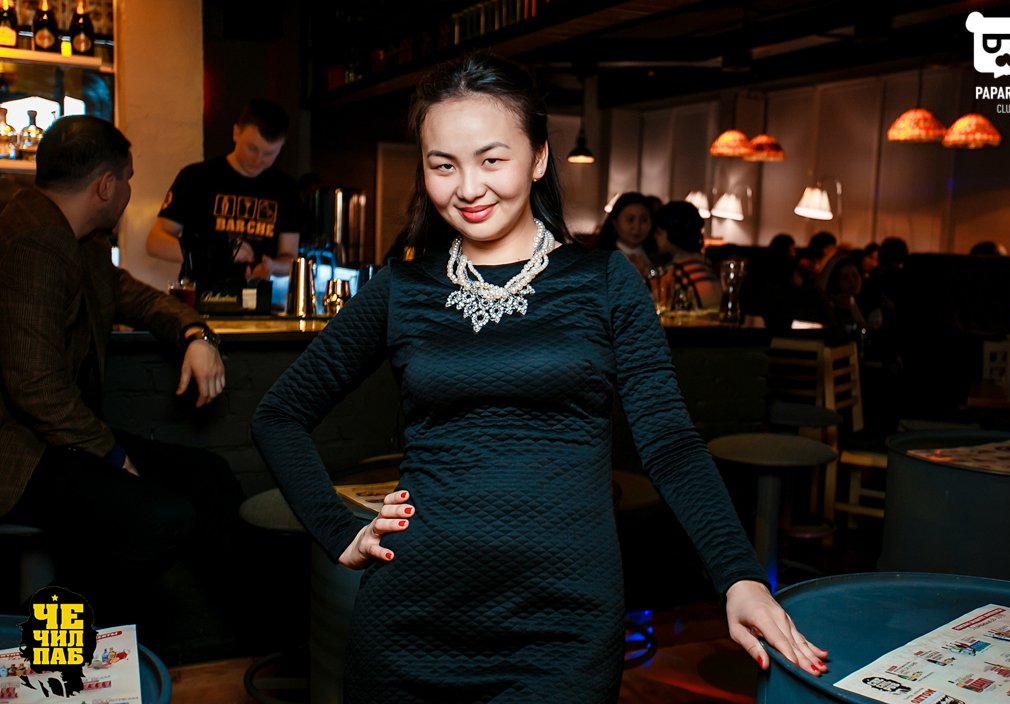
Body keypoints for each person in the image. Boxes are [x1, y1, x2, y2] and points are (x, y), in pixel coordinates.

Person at [252, 53, 826, 702]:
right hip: (409, 621)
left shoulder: (606, 283)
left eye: (491, 159)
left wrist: (738, 575)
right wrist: (339, 531)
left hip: (564, 627)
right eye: (443, 165)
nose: (468, 188)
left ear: (538, 157)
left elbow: (668, 442)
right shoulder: (401, 289)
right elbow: (278, 415)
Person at [0, 116, 241, 624]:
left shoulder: (79, 240)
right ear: (105, 186)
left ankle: (248, 624)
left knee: (209, 476)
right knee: (162, 519)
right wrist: (111, 454)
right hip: (18, 453)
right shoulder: (33, 242)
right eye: (128, 179)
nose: (130, 192)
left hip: (57, 438)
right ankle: (45, 638)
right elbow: (35, 386)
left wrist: (196, 335)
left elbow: (139, 299)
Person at [145, 98, 301, 289]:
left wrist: (272, 266)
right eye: (252, 148)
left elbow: (289, 257)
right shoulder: (196, 177)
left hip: (255, 297)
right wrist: (218, 252)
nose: (258, 160)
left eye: (269, 154)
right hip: (199, 296)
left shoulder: (285, 188)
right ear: (236, 133)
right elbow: (155, 242)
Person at [653, 199, 721, 308]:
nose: (655, 237)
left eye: (658, 232)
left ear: (672, 234)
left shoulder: (674, 271)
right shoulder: (704, 263)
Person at [595, 191, 659, 278]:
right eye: (630, 220)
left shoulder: (658, 256)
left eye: (644, 220)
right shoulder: (601, 258)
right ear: (615, 222)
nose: (637, 227)